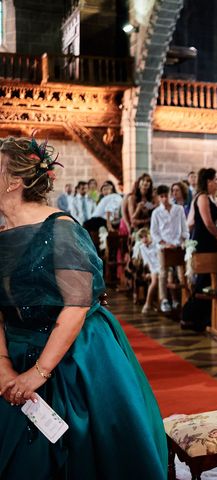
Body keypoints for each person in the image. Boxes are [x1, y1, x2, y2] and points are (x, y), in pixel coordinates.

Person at [0, 136, 166, 478]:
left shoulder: (60, 229)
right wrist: (3, 369)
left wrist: (39, 373)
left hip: (77, 355)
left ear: (14, 181)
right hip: (14, 350)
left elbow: (76, 306)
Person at [150, 184, 189, 313]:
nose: (165, 199)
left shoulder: (178, 209)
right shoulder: (156, 212)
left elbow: (184, 227)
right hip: (164, 247)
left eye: (166, 196)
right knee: (163, 273)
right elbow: (154, 232)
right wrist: (165, 243)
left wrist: (183, 241)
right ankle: (164, 300)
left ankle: (185, 299)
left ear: (169, 195)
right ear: (159, 198)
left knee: (182, 274)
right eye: (162, 197)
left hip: (177, 245)